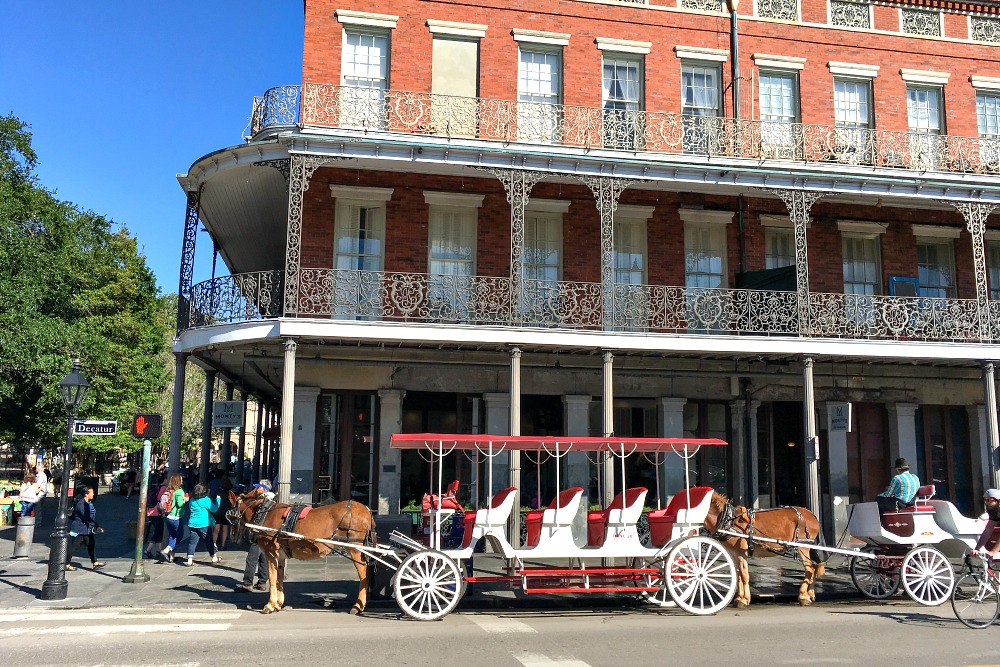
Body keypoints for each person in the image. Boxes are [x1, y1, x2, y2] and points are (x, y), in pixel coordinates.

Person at [235, 480, 273, 593]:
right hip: (265, 534)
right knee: (263, 559)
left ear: (264, 489)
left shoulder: (262, 501)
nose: (256, 490)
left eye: (258, 487)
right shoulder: (270, 499)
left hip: (258, 532)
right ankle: (262, 582)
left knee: (251, 559)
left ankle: (247, 583)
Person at [66, 485, 105, 570]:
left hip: (87, 528)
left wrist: (95, 525)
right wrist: (96, 526)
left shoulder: (88, 503)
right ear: (86, 494)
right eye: (92, 493)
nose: (93, 494)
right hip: (80, 529)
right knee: (74, 546)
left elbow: (90, 517)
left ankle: (95, 562)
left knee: (91, 544)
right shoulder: (81, 504)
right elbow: (86, 517)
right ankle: (66, 563)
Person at [184, 482, 221, 567]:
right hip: (204, 524)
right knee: (209, 541)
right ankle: (214, 557)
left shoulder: (192, 500)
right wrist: (218, 500)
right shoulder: (206, 500)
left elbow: (190, 508)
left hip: (192, 524)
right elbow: (214, 509)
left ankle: (189, 560)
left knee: (192, 542)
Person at [159, 474, 186, 563]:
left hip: (167, 516)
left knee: (172, 535)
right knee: (179, 535)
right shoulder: (179, 491)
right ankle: (166, 550)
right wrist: (185, 500)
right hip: (176, 516)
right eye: (181, 479)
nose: (182, 481)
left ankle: (171, 557)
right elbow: (179, 504)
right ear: (178, 481)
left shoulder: (169, 490)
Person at [971, 488, 1000, 562]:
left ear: (998, 501)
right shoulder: (993, 510)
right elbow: (987, 531)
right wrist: (976, 549)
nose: (986, 503)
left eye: (989, 500)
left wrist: (993, 552)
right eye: (985, 500)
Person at [143, 473, 166, 558]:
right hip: (157, 512)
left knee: (159, 531)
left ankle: (158, 550)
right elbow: (160, 499)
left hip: (150, 511)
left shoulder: (155, 488)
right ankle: (148, 549)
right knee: (158, 531)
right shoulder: (163, 488)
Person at [212, 477, 234, 551]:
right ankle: (223, 544)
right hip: (226, 513)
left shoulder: (217, 491)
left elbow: (213, 499)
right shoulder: (230, 492)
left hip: (217, 512)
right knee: (225, 529)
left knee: (216, 530)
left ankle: (214, 544)